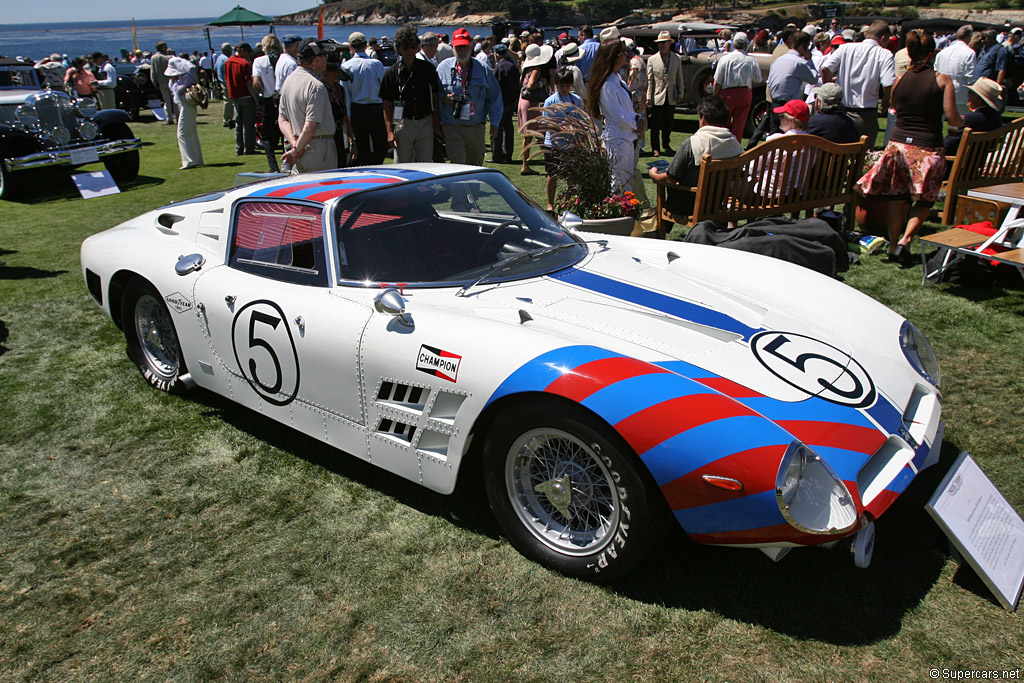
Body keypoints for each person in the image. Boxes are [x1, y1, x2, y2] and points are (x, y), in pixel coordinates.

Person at [856, 29, 963, 264]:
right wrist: (961, 122)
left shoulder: (900, 79)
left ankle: (894, 244)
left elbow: (894, 105)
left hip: (898, 144)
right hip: (927, 146)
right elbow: (952, 116)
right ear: (932, 54)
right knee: (924, 199)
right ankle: (905, 240)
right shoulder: (942, 80)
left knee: (899, 197)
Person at [648, 95, 743, 220]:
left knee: (669, 189)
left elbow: (670, 179)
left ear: (702, 118)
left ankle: (660, 232)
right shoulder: (734, 144)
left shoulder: (692, 143)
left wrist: (654, 174)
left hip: (689, 205)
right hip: (717, 203)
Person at [820, 20, 895, 147]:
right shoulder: (884, 53)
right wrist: (887, 99)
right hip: (866, 115)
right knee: (863, 157)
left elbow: (825, 69)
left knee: (839, 155)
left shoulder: (845, 48)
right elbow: (888, 83)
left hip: (841, 111)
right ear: (883, 38)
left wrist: (829, 89)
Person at [436, 27, 503, 166]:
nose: (462, 51)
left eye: (465, 47)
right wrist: (444, 98)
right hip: (452, 126)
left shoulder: (482, 68)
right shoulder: (442, 68)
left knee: (475, 166)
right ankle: (457, 189)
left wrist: (495, 123)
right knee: (457, 166)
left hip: (476, 126)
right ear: (452, 47)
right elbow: (434, 94)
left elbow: (494, 97)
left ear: (472, 46)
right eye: (458, 47)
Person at [380, 26, 441, 163]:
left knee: (425, 165)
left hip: (425, 123)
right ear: (399, 48)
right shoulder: (391, 73)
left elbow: (435, 98)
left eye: (413, 46)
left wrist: (437, 124)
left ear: (418, 47)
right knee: (402, 167)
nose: (409, 50)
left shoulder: (427, 69)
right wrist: (390, 131)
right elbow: (387, 105)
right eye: (405, 47)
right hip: (402, 124)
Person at [588, 40, 642, 193]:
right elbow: (618, 115)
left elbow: (627, 109)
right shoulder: (608, 85)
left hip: (627, 136)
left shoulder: (617, 79)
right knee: (618, 182)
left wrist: (638, 118)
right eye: (623, 52)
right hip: (618, 139)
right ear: (613, 56)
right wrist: (636, 123)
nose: (627, 55)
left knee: (627, 181)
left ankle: (626, 209)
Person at [279, 40, 337, 173]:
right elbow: (309, 127)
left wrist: (294, 143)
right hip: (318, 147)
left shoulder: (288, 81)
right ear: (316, 60)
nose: (326, 59)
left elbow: (282, 120)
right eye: (324, 55)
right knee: (324, 190)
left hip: (299, 145)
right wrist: (297, 150)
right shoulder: (316, 86)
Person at [540, 69, 584, 213]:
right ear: (556, 85)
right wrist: (560, 128)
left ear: (571, 85)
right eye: (561, 86)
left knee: (571, 175)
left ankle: (570, 202)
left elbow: (582, 121)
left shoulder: (576, 100)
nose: (564, 88)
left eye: (567, 85)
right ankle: (550, 204)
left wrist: (576, 131)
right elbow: (546, 124)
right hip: (553, 143)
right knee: (553, 175)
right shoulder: (550, 101)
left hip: (571, 143)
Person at [344, 32, 387, 166]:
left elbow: (346, 95)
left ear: (351, 46)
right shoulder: (376, 64)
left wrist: (348, 117)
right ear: (365, 45)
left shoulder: (347, 66)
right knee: (380, 144)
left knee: (362, 146)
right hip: (376, 108)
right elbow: (384, 89)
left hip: (357, 109)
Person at [712, 32, 762, 142]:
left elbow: (717, 81)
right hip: (744, 93)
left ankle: (722, 145)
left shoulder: (725, 59)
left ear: (734, 44)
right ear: (745, 45)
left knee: (723, 122)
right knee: (739, 124)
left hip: (727, 93)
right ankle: (735, 148)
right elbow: (758, 79)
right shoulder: (752, 60)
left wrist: (714, 96)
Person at [645, 31, 685, 156]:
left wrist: (680, 93)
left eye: (663, 43)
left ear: (669, 43)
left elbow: (680, 78)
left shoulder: (676, 58)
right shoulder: (652, 59)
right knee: (655, 124)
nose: (661, 45)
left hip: (671, 96)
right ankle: (655, 148)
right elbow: (650, 80)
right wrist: (648, 97)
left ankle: (666, 144)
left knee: (669, 123)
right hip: (658, 96)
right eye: (659, 43)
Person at [943, 77, 1004, 156]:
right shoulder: (997, 118)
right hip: (979, 163)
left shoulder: (967, 119)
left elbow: (948, 145)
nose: (968, 95)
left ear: (977, 98)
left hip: (958, 164)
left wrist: (953, 125)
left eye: (970, 93)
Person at [518, 42, 553, 175]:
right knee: (538, 134)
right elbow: (531, 85)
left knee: (529, 136)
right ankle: (541, 163)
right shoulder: (536, 69)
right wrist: (542, 83)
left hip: (524, 101)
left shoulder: (527, 68)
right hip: (532, 103)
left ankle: (525, 164)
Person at [165, 56, 203, 170]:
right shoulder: (182, 77)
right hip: (185, 106)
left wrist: (174, 83)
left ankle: (189, 160)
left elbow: (177, 90)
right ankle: (196, 159)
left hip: (187, 106)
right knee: (191, 133)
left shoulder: (185, 77)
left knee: (182, 133)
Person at [252, 34, 283, 172]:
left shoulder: (259, 61)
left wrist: (261, 91)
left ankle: (273, 167)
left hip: (269, 98)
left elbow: (256, 82)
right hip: (282, 98)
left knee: (267, 136)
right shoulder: (284, 59)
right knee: (285, 132)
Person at [935, 25, 977, 116]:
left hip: (942, 90)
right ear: (969, 37)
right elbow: (971, 77)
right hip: (960, 92)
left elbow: (936, 72)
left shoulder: (942, 52)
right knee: (959, 122)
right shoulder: (969, 53)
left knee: (939, 121)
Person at [225, 42, 258, 156]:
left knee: (238, 124)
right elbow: (249, 83)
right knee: (248, 125)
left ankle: (239, 149)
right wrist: (256, 99)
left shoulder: (228, 62)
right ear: (243, 50)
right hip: (246, 96)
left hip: (234, 96)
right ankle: (249, 148)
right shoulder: (244, 63)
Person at [322, 57, 356, 168]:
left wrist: (352, 140)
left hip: (341, 134)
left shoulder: (340, 90)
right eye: (325, 69)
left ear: (336, 73)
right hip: (327, 136)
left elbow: (345, 116)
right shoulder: (320, 90)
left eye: (330, 70)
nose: (326, 72)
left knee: (343, 164)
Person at [491, 43, 520, 164]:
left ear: (497, 54)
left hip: (501, 102)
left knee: (497, 128)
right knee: (508, 129)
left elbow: (495, 87)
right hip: (511, 102)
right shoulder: (513, 66)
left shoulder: (499, 67)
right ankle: (508, 154)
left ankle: (497, 155)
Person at [151, 41, 177, 124]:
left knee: (167, 101)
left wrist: (154, 82)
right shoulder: (170, 57)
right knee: (175, 100)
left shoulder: (154, 57)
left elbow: (153, 71)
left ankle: (169, 118)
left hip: (161, 81)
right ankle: (178, 117)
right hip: (172, 80)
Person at [214, 42, 233, 128]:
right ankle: (227, 119)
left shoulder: (219, 58)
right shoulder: (226, 59)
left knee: (227, 100)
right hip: (227, 82)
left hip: (222, 81)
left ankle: (227, 118)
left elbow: (215, 68)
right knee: (229, 101)